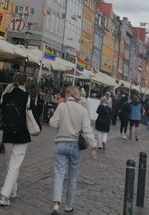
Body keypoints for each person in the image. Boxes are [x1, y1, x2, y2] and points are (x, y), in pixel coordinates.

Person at [49, 85, 98, 214]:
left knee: (59, 174)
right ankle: (69, 206)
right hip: (75, 146)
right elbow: (87, 130)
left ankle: (56, 205)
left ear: (68, 94)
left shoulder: (61, 106)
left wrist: (62, 124)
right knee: (72, 178)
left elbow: (52, 123)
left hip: (61, 144)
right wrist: (94, 146)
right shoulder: (82, 110)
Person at [0, 73, 32, 207]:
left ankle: (13, 190)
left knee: (9, 163)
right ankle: (4, 195)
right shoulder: (26, 96)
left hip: (7, 133)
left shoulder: (6, 96)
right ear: (25, 83)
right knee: (14, 165)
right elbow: (31, 114)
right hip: (22, 134)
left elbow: (1, 111)